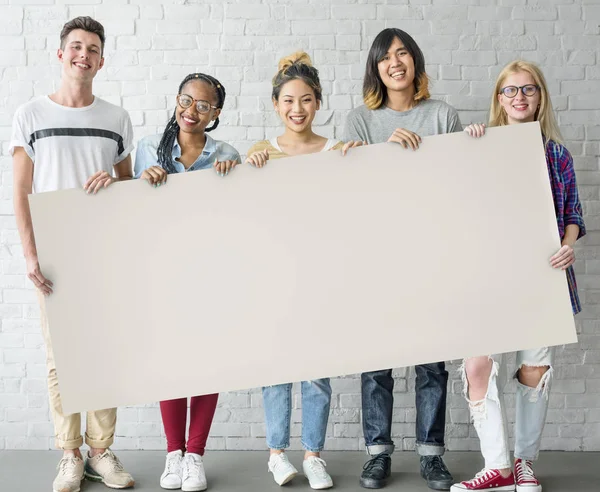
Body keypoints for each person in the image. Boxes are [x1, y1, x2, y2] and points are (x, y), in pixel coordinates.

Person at [10, 16, 135, 492]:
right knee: (61, 358)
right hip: (55, 252)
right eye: (76, 46)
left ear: (102, 61)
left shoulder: (116, 118)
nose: (84, 54)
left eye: (94, 48)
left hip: (102, 252)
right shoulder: (31, 115)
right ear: (61, 54)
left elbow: (128, 190)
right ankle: (69, 454)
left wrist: (114, 183)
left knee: (102, 352)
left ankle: (101, 452)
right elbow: (20, 191)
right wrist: (29, 255)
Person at [452, 60, 586, 492]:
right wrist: (471, 149)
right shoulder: (483, 145)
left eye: (528, 90)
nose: (519, 97)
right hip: (491, 276)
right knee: (477, 364)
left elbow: (573, 216)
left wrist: (569, 245)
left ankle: (524, 463)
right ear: (499, 99)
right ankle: (498, 466)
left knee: (534, 369)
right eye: (510, 91)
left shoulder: (556, 154)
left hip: (543, 276)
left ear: (540, 97)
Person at [343, 28, 463, 490]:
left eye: (403, 53)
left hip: (431, 253)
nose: (396, 62)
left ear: (416, 61)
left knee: (432, 361)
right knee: (378, 361)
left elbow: (457, 182)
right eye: (385, 57)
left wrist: (469, 141)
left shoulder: (442, 115)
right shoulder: (360, 120)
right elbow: (351, 192)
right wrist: (376, 155)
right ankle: (378, 454)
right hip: (376, 257)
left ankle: (432, 455)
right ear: (375, 68)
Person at [246, 51, 362, 490]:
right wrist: (248, 173)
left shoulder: (336, 151)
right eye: (289, 100)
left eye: (307, 100)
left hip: (321, 276)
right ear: (276, 104)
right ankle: (277, 453)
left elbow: (352, 210)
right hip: (273, 277)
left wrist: (358, 160)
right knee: (276, 370)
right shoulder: (261, 152)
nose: (298, 109)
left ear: (318, 103)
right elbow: (246, 218)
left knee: (316, 372)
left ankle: (313, 453)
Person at [134, 72, 240, 492]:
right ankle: (173, 454)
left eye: (203, 105)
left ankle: (195, 454)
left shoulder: (225, 154)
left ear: (215, 114)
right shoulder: (146, 149)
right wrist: (140, 184)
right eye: (186, 100)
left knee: (206, 365)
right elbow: (128, 214)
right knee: (172, 366)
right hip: (162, 272)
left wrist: (234, 177)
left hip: (211, 273)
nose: (191, 111)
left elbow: (238, 218)